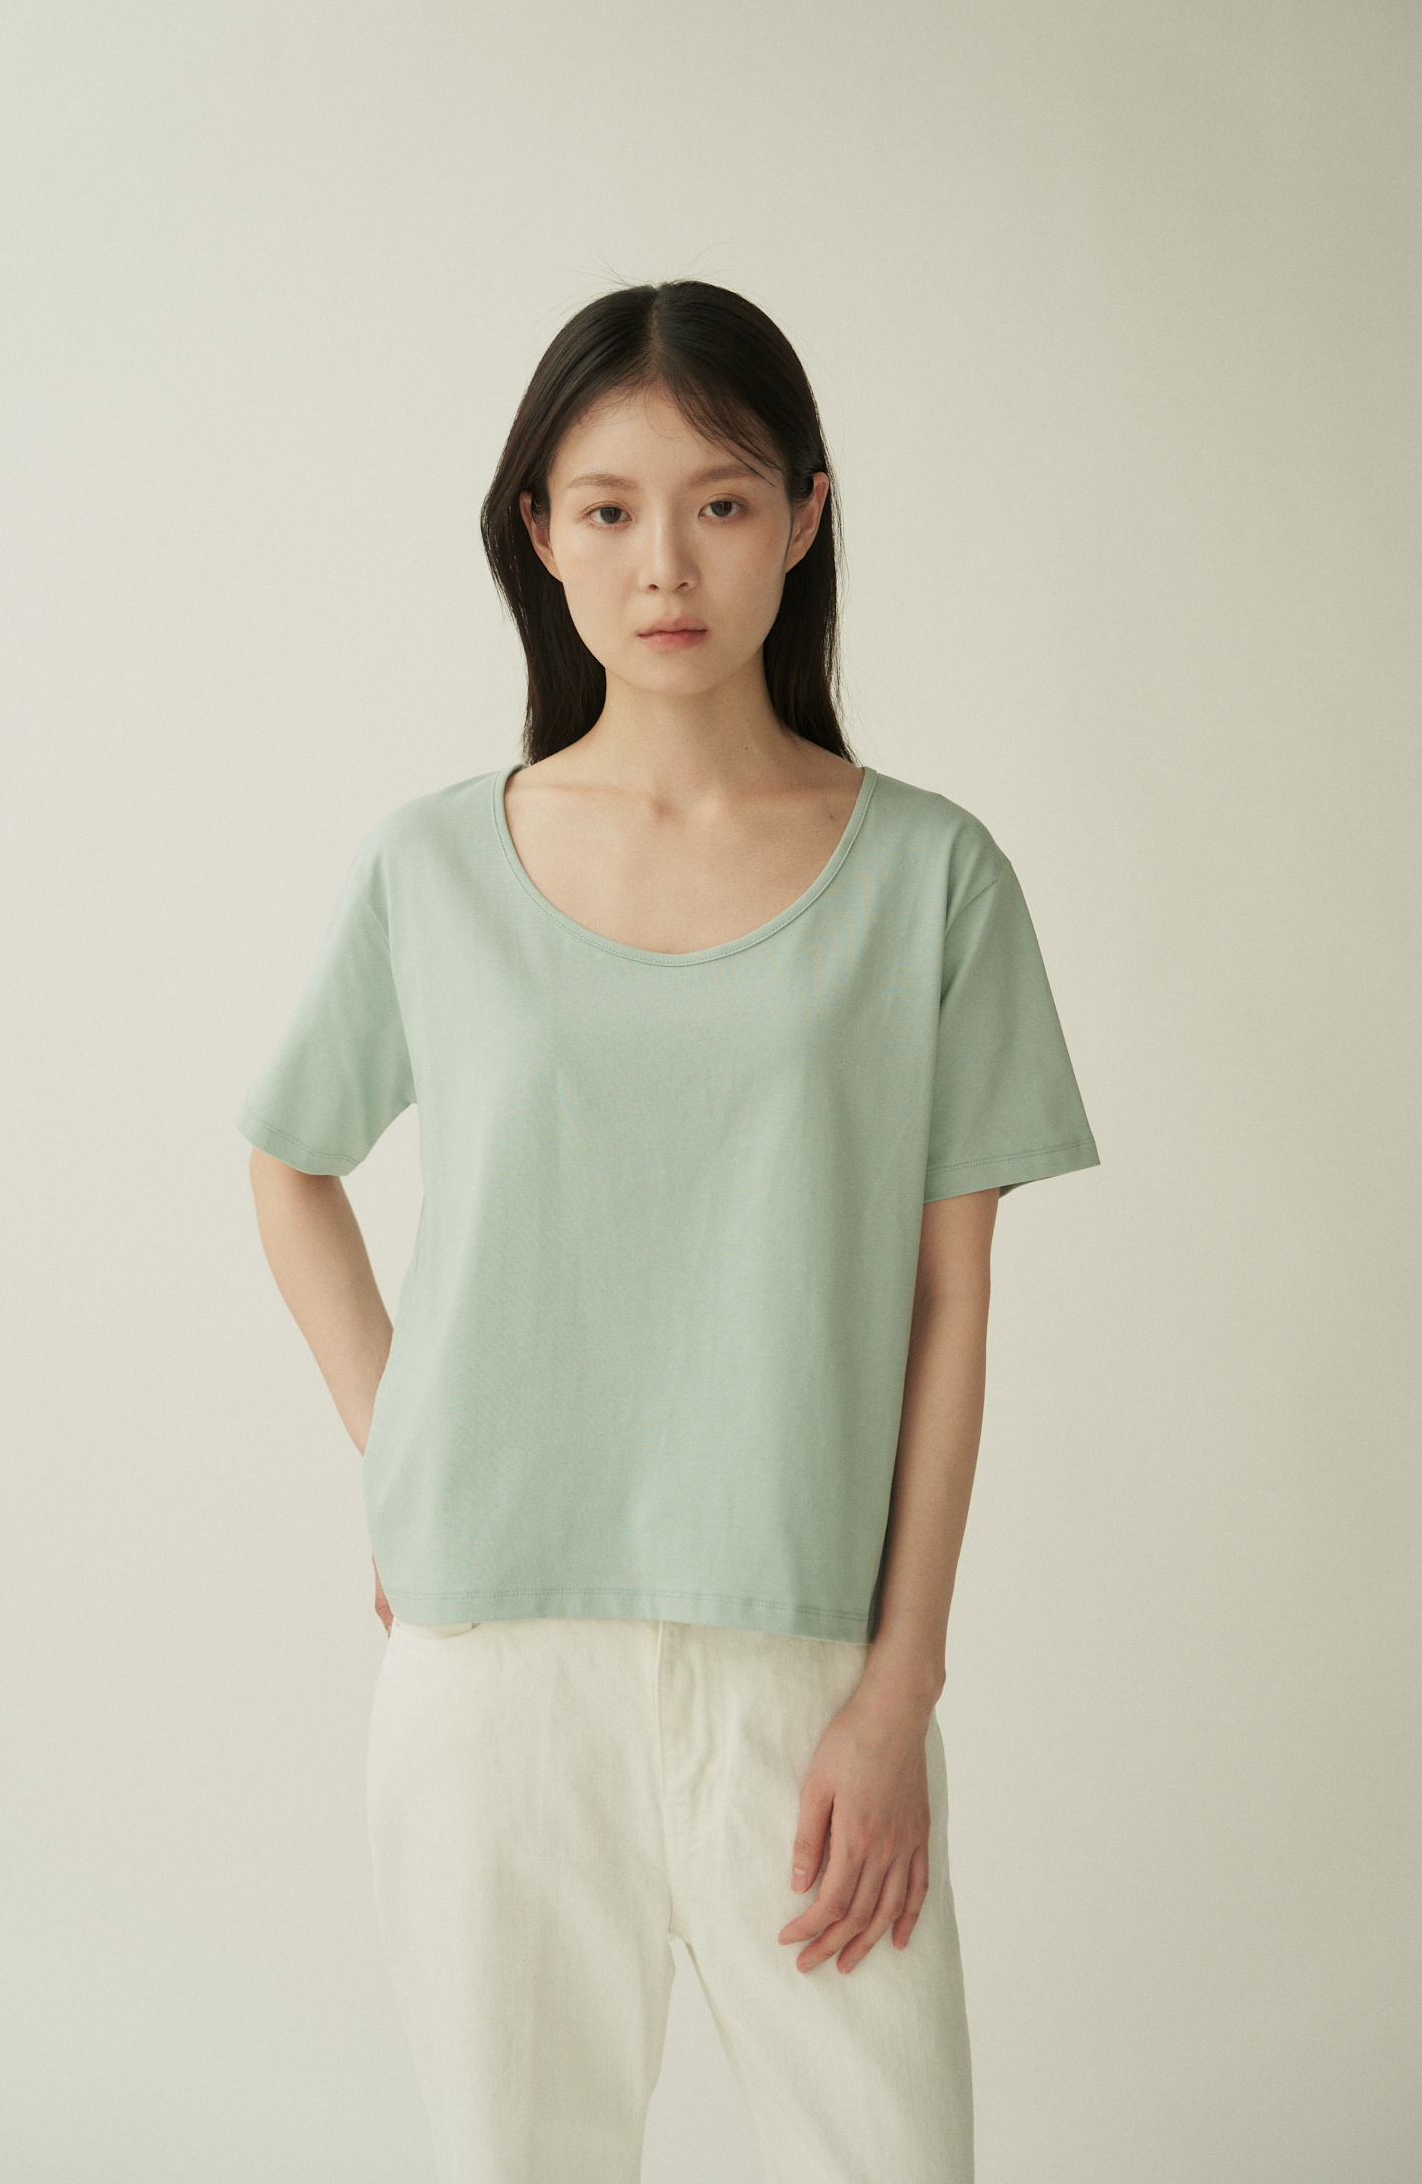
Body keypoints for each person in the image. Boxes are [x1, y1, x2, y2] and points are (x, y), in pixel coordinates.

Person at [236, 279, 1098, 2184]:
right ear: (538, 534)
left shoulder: (935, 878)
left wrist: (900, 1688)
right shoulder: (433, 864)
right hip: (494, 1669)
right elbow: (289, 1163)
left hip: (810, 1667)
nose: (665, 564)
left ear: (804, 515)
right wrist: (399, 1451)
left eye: (719, 502)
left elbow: (952, 1304)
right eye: (609, 508)